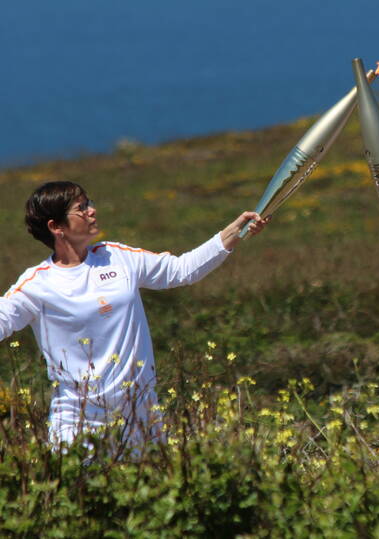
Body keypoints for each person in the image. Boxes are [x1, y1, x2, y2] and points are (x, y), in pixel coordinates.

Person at [0, 181, 266, 447]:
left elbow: (182, 270)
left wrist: (234, 231)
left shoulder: (117, 256)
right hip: (79, 423)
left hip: (142, 415)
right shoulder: (37, 284)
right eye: (81, 208)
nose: (92, 211)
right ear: (56, 227)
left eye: (89, 203)